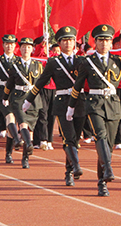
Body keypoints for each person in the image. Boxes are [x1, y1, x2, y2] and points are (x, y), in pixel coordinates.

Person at [66, 24, 121, 197]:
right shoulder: (87, 61)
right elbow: (78, 85)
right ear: (96, 42)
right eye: (101, 40)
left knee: (108, 146)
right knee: (100, 136)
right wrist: (71, 106)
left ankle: (102, 181)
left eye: (107, 40)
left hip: (113, 104)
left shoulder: (117, 61)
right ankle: (108, 168)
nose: (104, 43)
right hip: (94, 104)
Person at [24, 26, 85, 186]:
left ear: (75, 43)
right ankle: (75, 167)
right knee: (68, 138)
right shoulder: (54, 62)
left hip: (79, 103)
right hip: (63, 102)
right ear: (59, 43)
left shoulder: (82, 61)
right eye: (64, 41)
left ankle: (69, 170)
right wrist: (29, 99)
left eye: (70, 40)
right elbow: (41, 81)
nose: (68, 43)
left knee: (75, 139)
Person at [3, 37, 43, 168]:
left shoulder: (38, 65)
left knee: (30, 130)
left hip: (33, 99)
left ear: (33, 49)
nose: (26, 49)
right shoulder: (15, 65)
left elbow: (43, 82)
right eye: (24, 47)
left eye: (29, 47)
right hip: (18, 98)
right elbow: (9, 83)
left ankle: (25, 157)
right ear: (19, 49)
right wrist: (5, 97)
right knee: (23, 124)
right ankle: (10, 152)